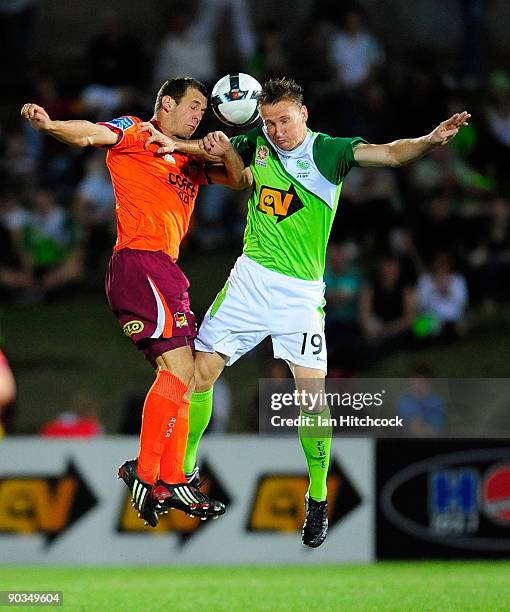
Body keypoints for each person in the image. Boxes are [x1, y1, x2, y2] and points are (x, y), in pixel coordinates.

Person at [147, 77, 470, 548]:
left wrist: (428, 140)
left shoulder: (329, 153)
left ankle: (317, 498)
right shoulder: (254, 142)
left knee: (310, 399)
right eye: (268, 122)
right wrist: (172, 140)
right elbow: (207, 149)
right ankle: (186, 470)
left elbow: (390, 153)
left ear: (304, 114)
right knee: (198, 375)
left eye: (283, 121)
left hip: (299, 294)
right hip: (250, 280)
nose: (275, 131)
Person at [21, 77, 244, 527]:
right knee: (181, 371)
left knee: (187, 374)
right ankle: (148, 474)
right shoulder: (137, 132)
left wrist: (219, 147)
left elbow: (239, 180)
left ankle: (170, 477)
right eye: (194, 106)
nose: (200, 115)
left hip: (166, 269)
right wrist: (50, 126)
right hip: (141, 262)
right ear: (166, 103)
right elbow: (88, 132)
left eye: (204, 110)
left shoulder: (189, 155)